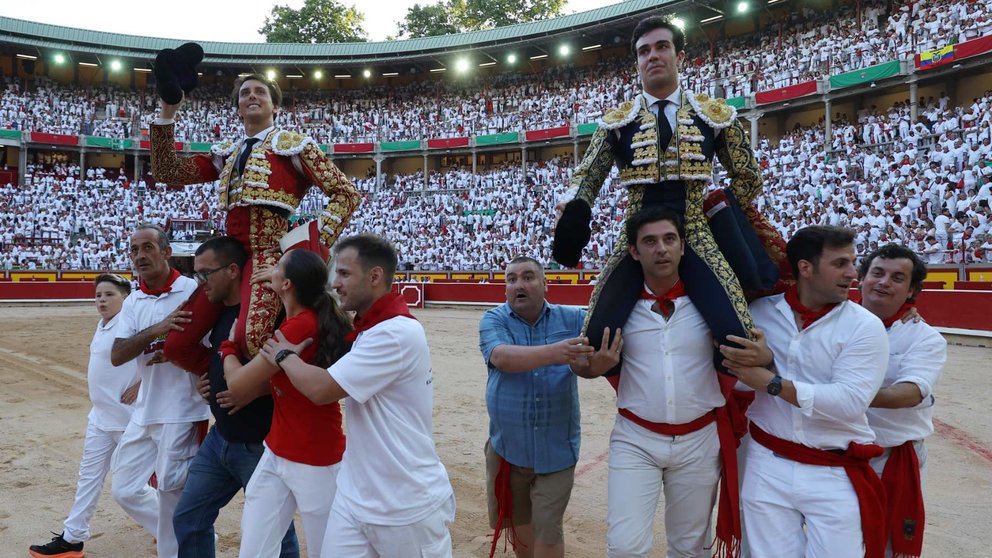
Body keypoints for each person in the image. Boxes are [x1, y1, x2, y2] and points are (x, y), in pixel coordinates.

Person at [553, 16, 781, 371]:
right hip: (636, 234)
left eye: (662, 47)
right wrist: (576, 208)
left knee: (736, 334)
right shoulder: (617, 121)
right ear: (637, 62)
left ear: (680, 56)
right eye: (644, 51)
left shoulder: (714, 114)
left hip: (694, 229)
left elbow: (748, 176)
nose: (653, 56)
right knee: (596, 335)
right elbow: (588, 176)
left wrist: (722, 213)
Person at [573, 207, 757, 558]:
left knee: (689, 549)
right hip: (635, 438)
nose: (661, 249)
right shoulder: (618, 311)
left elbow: (754, 357)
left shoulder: (711, 308)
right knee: (625, 547)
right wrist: (593, 367)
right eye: (650, 241)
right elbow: (582, 366)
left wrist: (761, 356)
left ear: (683, 247)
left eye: (669, 239)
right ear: (634, 251)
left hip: (699, 442)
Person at [150, 72, 360, 374]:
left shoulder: (295, 147)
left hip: (269, 254)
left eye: (260, 92)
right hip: (228, 258)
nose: (251, 96)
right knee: (175, 345)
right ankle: (219, 382)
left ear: (275, 106)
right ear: (237, 107)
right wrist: (168, 111)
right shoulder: (226, 153)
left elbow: (347, 194)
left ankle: (260, 393)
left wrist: (300, 252)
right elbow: (167, 171)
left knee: (254, 337)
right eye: (245, 92)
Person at [260, 234, 455, 557]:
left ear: (375, 276)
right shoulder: (374, 329)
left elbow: (321, 390)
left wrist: (284, 356)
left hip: (405, 503)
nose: (335, 283)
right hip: (358, 495)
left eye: (345, 274)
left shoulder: (393, 333)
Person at [723, 226, 889, 558]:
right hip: (767, 463)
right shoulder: (760, 314)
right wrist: (759, 365)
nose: (852, 273)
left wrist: (772, 381)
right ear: (805, 268)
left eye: (853, 262)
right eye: (841, 263)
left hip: (834, 469)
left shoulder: (865, 327)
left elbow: (849, 402)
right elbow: (738, 381)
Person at [171, 236, 299, 558]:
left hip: (261, 443)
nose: (199, 283)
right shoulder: (219, 312)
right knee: (189, 517)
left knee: (276, 535)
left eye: (205, 274)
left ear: (231, 270)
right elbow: (215, 356)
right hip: (221, 438)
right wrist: (209, 379)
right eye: (195, 274)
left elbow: (302, 367)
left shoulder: (268, 311)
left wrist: (255, 388)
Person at [219, 248, 349, 557]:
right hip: (285, 448)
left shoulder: (297, 327)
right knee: (263, 542)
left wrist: (227, 346)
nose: (270, 271)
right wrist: (275, 277)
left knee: (325, 549)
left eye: (277, 267)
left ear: (288, 284)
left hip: (311, 454)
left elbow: (237, 384)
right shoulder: (311, 318)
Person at [478, 256, 609, 558]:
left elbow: (601, 344)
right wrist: (559, 352)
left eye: (527, 277)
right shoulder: (493, 319)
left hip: (556, 449)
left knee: (549, 531)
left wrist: (595, 365)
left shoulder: (574, 318)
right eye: (511, 279)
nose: (518, 284)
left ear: (545, 284)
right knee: (522, 531)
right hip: (508, 449)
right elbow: (502, 358)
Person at [109, 224, 207, 558]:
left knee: (171, 492)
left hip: (182, 408)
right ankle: (192, 539)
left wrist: (178, 353)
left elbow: (211, 347)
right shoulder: (134, 299)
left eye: (147, 247)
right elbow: (118, 354)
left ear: (166, 252)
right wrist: (159, 330)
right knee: (124, 489)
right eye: (134, 250)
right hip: (146, 408)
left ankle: (179, 549)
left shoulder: (191, 290)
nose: (140, 256)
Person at [29, 274, 141, 558]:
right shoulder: (102, 324)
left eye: (109, 294)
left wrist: (142, 384)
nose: (101, 300)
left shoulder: (134, 322)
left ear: (125, 297)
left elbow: (160, 354)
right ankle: (73, 537)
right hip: (101, 416)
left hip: (129, 419)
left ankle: (187, 531)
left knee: (138, 487)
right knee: (88, 478)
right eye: (98, 295)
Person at [859, 244, 947, 558]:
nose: (884, 282)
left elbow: (911, 392)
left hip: (889, 457)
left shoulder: (924, 338)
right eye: (878, 273)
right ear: (861, 279)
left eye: (897, 278)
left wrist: (844, 396)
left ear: (911, 291)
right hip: (831, 451)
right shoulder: (832, 322)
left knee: (883, 545)